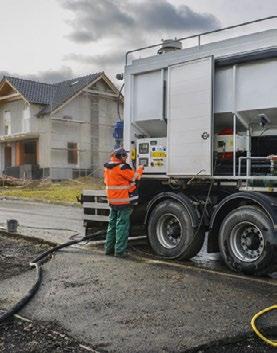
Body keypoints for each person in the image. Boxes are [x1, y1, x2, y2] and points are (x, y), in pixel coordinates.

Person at [104, 147, 144, 257]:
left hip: (112, 201)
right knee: (122, 226)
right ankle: (119, 252)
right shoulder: (122, 167)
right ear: (120, 156)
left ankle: (108, 249)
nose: (126, 158)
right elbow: (136, 177)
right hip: (123, 201)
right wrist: (140, 168)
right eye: (125, 156)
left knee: (112, 225)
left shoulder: (108, 167)